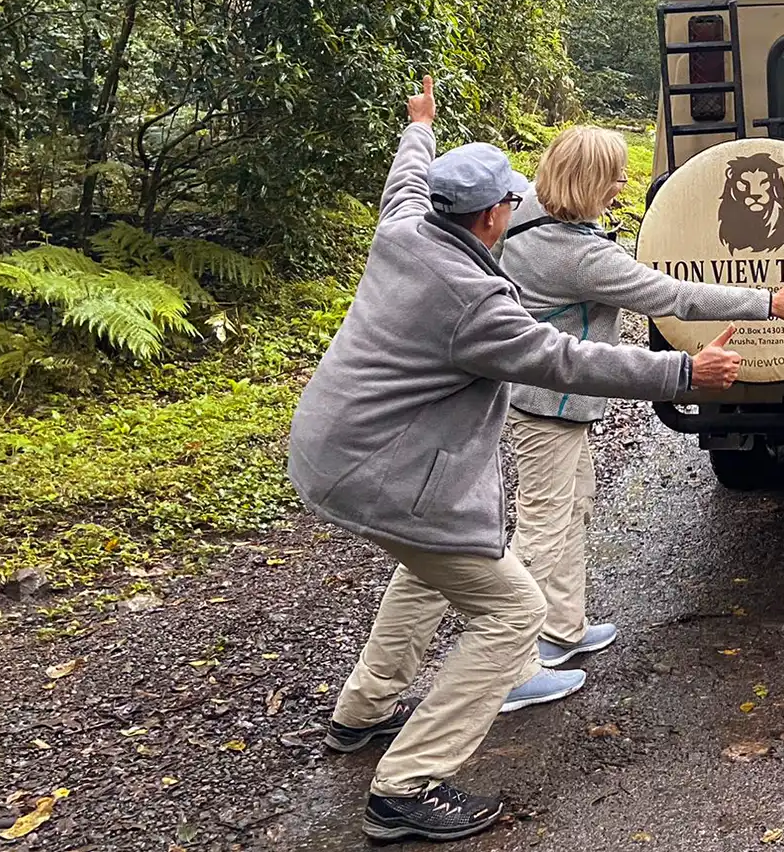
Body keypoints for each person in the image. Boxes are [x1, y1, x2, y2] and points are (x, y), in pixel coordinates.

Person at [288, 78, 746, 843]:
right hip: (383, 474)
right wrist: (682, 374)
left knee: (426, 573)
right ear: (494, 213)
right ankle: (407, 785)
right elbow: (564, 360)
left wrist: (419, 127)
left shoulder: (405, 227)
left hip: (335, 452)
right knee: (512, 612)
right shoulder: (474, 299)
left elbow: (403, 178)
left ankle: (361, 713)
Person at [496, 125, 784, 675]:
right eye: (613, 176)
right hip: (552, 404)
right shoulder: (580, 258)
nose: (622, 184)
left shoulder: (523, 207)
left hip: (553, 398)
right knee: (542, 528)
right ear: (587, 181)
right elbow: (674, 297)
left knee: (575, 507)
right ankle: (506, 667)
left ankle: (561, 629)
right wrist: (766, 303)